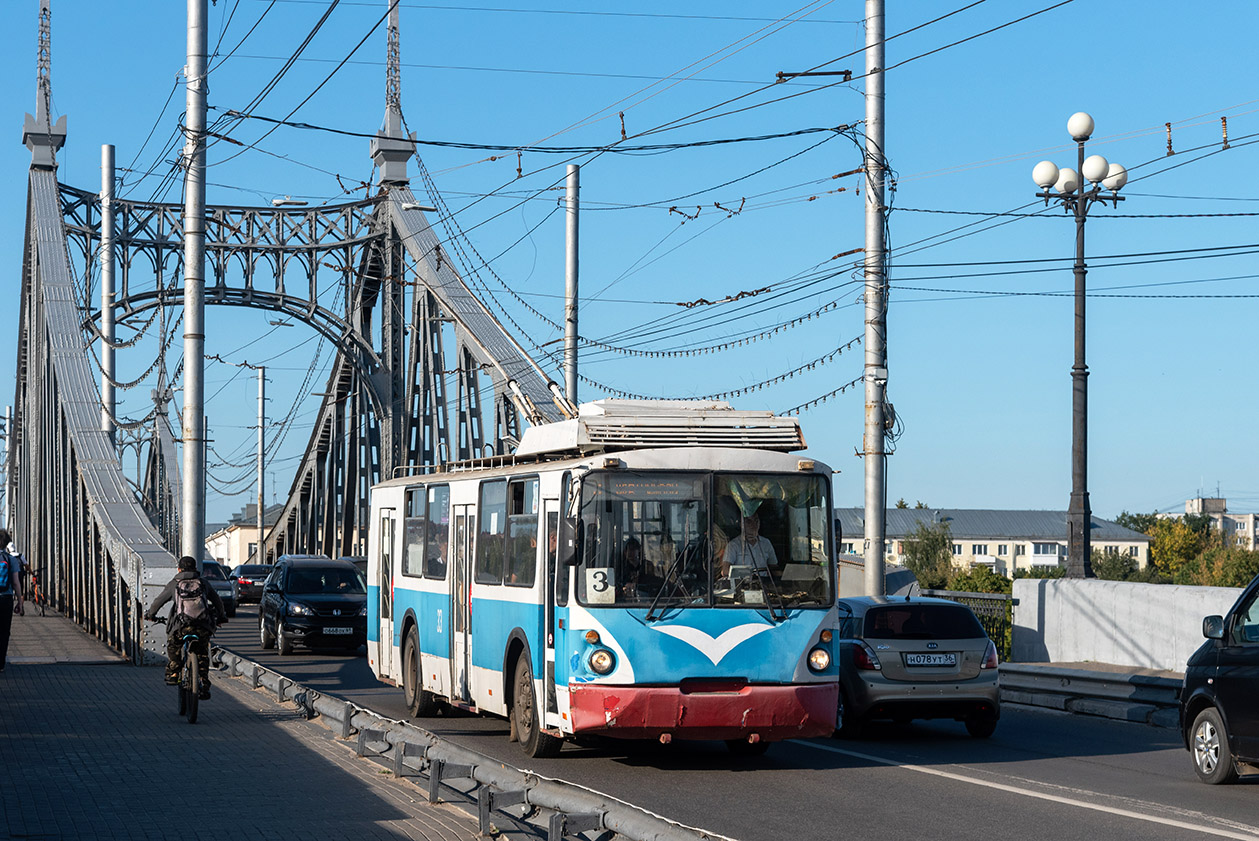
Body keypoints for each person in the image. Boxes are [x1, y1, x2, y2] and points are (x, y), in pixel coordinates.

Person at [144, 555, 226, 698]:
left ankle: (174, 673)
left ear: (179, 569)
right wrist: (221, 617)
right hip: (201, 625)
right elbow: (217, 601)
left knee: (174, 645)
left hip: (181, 626)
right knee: (202, 654)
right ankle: (203, 682)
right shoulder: (203, 583)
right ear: (195, 568)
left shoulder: (174, 583)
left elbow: (158, 601)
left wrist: (150, 614)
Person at [719, 510, 778, 578]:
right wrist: (744, 573)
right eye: (749, 521)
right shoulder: (733, 545)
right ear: (741, 524)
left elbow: (774, 569)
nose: (754, 524)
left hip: (763, 583)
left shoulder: (766, 543)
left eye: (756, 521)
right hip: (742, 583)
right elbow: (725, 571)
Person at [0, 529, 24, 673]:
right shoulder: (11, 559)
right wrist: (20, 602)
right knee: (4, 631)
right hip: (6, 598)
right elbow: (15, 582)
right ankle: (0, 663)